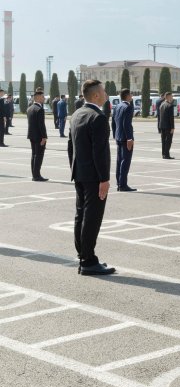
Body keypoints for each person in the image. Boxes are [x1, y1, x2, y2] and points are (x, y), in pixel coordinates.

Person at [68, 79, 115, 276]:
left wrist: (75, 169)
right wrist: (104, 179)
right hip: (94, 176)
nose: (105, 94)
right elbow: (100, 152)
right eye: (103, 91)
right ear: (96, 95)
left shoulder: (77, 114)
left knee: (81, 215)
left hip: (79, 172)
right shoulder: (98, 117)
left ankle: (84, 256)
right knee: (92, 217)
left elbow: (71, 147)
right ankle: (88, 261)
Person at [111, 89, 137, 192]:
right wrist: (129, 138)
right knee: (125, 161)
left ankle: (119, 183)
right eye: (131, 94)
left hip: (119, 137)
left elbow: (113, 122)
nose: (132, 96)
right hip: (126, 138)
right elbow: (126, 124)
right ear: (127, 96)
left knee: (119, 161)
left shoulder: (117, 106)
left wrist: (115, 134)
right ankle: (123, 185)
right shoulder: (128, 107)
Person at [26, 88, 48, 181]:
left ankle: (34, 174)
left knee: (34, 155)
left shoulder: (30, 108)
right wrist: (44, 136)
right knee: (39, 155)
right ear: (38, 97)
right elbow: (41, 124)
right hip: (39, 136)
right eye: (43, 97)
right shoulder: (39, 109)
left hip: (31, 135)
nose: (44, 98)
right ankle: (36, 175)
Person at [158, 92, 175, 159]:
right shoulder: (170, 105)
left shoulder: (162, 104)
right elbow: (171, 117)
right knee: (168, 141)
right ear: (167, 97)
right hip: (168, 126)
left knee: (163, 140)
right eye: (171, 96)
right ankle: (167, 155)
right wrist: (172, 127)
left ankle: (163, 154)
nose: (172, 98)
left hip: (162, 125)